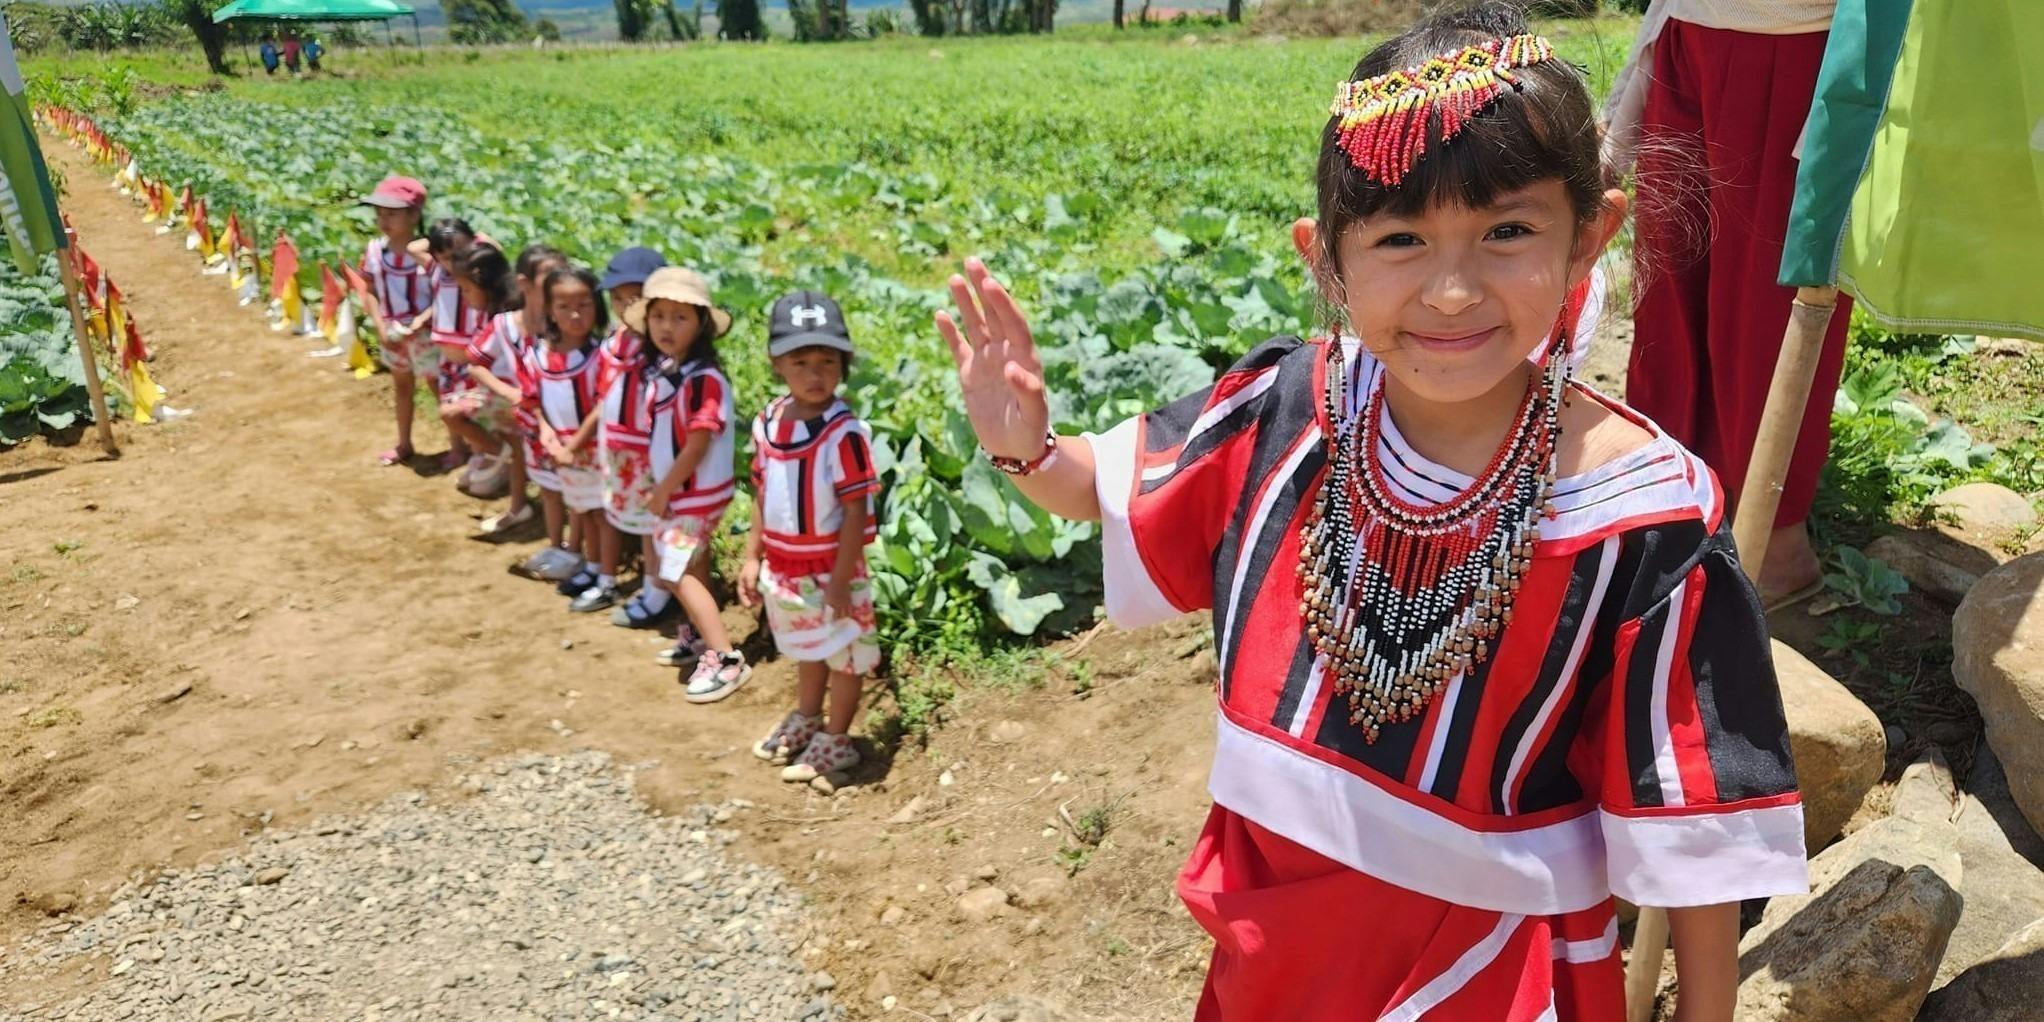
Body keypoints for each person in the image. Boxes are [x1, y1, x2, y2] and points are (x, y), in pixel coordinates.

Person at [935, 7, 1808, 1019]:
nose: (1449, 289)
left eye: (1506, 231)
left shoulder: (1642, 515)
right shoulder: (1286, 415)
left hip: (1497, 968)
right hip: (1275, 949)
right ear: (1328, 260)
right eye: (1399, 237)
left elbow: (1689, 826)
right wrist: (1024, 444)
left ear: (1591, 237)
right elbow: (1105, 487)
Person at [1605, 1, 1849, 609]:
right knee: (1671, 286)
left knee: (1768, 298)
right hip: (1691, 30)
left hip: (1799, 41)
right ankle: (1673, 490)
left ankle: (1777, 535)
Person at [744, 292, 880, 782]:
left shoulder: (844, 433)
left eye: (827, 361)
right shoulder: (768, 422)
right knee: (807, 646)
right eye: (800, 361)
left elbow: (854, 508)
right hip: (785, 565)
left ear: (843, 364)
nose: (814, 374)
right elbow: (761, 490)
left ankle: (838, 737)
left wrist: (842, 580)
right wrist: (750, 554)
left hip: (833, 566)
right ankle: (808, 716)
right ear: (777, 363)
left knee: (844, 651)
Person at [625, 268, 747, 698]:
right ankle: (700, 640)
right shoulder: (672, 372)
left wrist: (662, 491)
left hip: (694, 495)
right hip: (685, 493)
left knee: (674, 570)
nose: (667, 327)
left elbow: (697, 444)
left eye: (680, 318)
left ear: (701, 326)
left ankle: (726, 658)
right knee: (691, 566)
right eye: (659, 316)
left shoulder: (703, 380)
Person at [571, 246, 667, 615]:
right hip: (616, 448)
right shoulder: (615, 342)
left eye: (635, 297)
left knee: (648, 527)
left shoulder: (660, 348)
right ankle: (610, 581)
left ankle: (654, 593)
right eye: (618, 298)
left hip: (648, 454)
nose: (627, 306)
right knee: (616, 514)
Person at [469, 244, 569, 541]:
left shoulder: (568, 323)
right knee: (539, 473)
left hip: (566, 419)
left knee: (572, 483)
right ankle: (534, 520)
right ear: (524, 284)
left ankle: (570, 542)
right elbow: (475, 363)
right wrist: (510, 393)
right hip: (528, 415)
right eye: (551, 276)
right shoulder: (504, 325)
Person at [532, 266, 611, 597]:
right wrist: (545, 430)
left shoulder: (602, 355)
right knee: (584, 509)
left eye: (584, 304)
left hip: (593, 451)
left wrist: (573, 445)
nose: (575, 314)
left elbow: (604, 404)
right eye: (563, 306)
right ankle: (592, 566)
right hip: (564, 451)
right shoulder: (539, 353)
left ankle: (606, 577)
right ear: (549, 309)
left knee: (602, 512)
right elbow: (532, 397)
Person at [441, 245, 524, 525]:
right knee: (452, 411)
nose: (463, 297)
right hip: (502, 394)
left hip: (512, 396)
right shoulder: (493, 314)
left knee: (454, 412)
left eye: (466, 289)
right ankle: (497, 456)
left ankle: (513, 492)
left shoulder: (508, 318)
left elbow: (475, 359)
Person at [356, 175, 434, 468]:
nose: (383, 220)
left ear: (414, 215)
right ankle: (404, 442)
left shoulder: (428, 253)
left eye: (391, 214)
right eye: (379, 214)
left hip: (427, 334)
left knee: (438, 386)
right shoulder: (375, 250)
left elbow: (445, 293)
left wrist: (422, 322)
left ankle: (458, 446)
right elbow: (370, 290)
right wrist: (380, 325)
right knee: (402, 387)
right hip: (392, 332)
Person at [412, 218, 496, 488]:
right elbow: (415, 247)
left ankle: (489, 458)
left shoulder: (478, 276)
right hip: (449, 362)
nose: (454, 261)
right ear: (437, 256)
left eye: (461, 252)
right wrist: (443, 236)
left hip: (473, 361)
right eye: (447, 256)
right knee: (457, 414)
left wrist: (473, 237)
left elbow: (496, 249)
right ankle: (476, 457)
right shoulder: (436, 270)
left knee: (477, 417)